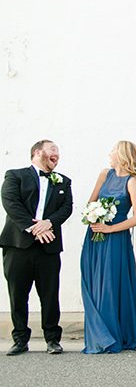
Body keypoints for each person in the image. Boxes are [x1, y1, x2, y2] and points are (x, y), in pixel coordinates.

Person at [1, 140, 73, 356]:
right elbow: (11, 203)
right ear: (38, 152)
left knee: (50, 295)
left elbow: (66, 208)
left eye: (58, 152)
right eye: (53, 150)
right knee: (18, 294)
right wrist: (34, 228)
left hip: (48, 248)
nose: (57, 154)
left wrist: (48, 223)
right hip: (18, 246)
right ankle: (20, 339)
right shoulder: (15, 175)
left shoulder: (63, 181)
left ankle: (52, 339)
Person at [79, 141, 136, 353]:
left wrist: (111, 228)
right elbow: (91, 202)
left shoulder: (132, 181)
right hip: (95, 235)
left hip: (115, 238)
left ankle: (114, 334)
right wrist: (94, 215)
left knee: (110, 283)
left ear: (122, 154)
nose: (109, 153)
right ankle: (99, 333)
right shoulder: (104, 174)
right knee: (93, 281)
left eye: (113, 150)